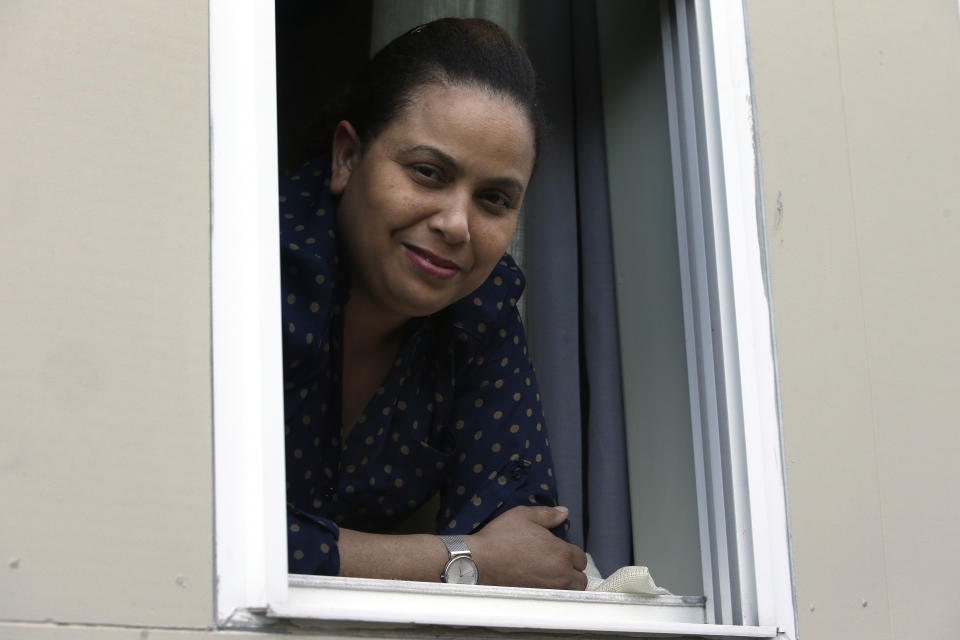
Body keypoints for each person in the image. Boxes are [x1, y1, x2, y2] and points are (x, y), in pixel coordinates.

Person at [280, 17, 587, 590]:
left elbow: (533, 553)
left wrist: (490, 556)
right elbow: (205, 526)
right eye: (427, 173)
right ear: (347, 157)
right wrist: (464, 557)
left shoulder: (481, 311)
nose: (456, 226)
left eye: (494, 199)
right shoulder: (260, 265)